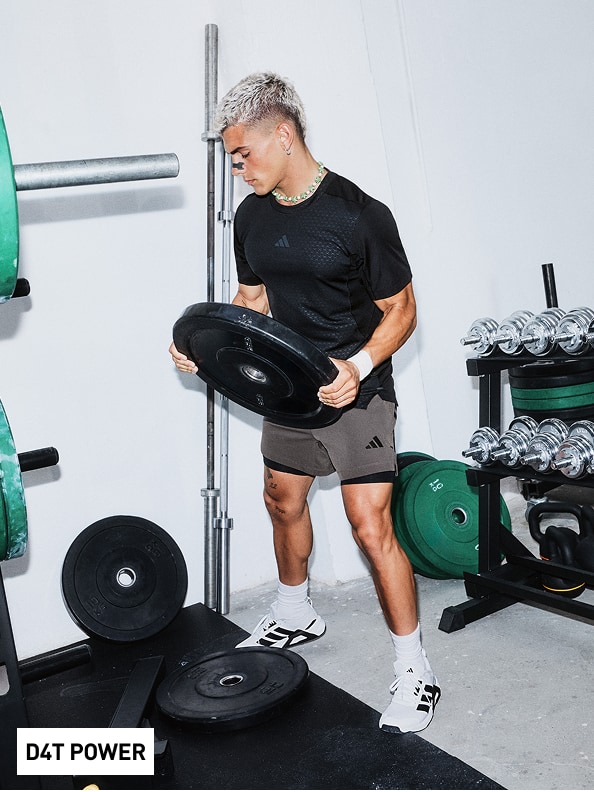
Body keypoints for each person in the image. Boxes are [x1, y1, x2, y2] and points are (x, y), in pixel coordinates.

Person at [170, 72, 440, 734]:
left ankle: (416, 670)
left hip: (358, 391)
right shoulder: (255, 217)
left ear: (283, 137)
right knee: (281, 500)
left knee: (368, 523)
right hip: (289, 386)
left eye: (243, 155)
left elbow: (401, 309)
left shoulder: (358, 215)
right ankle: (295, 613)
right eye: (233, 159)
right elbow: (254, 299)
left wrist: (360, 365)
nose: (238, 169)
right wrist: (206, 346)